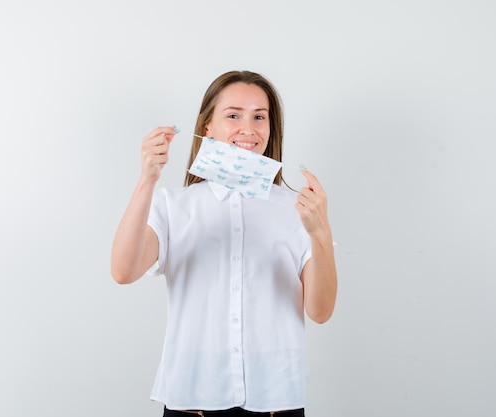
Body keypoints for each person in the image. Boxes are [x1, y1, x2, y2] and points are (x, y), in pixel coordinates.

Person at [111, 70, 337, 417]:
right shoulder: (174, 205)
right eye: (233, 115)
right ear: (207, 127)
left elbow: (320, 312)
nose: (249, 129)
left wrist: (320, 233)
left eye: (260, 117)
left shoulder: (297, 210)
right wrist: (147, 180)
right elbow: (124, 271)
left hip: (275, 403)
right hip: (192, 402)